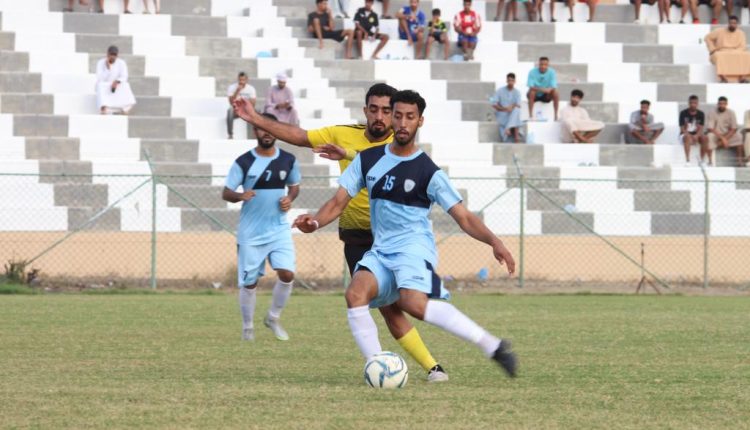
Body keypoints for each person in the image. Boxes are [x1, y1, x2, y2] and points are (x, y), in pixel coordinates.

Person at [231, 84, 450, 382]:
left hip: (396, 238)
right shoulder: (343, 132)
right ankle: (414, 367)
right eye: (374, 109)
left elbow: (381, 160)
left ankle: (426, 363)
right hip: (357, 236)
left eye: (387, 111)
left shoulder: (401, 141)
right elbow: (300, 136)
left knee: (409, 302)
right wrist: (255, 118)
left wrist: (346, 153)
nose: (381, 117)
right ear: (365, 110)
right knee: (387, 308)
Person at [292, 90, 518, 378]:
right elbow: (337, 202)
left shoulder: (428, 171)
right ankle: (378, 368)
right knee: (355, 294)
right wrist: (314, 222)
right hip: (381, 250)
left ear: (420, 121)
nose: (402, 122)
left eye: (409, 117)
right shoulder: (368, 160)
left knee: (412, 304)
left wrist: (495, 242)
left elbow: (463, 216)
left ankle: (492, 346)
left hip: (413, 249)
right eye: (397, 115)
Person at [222, 113, 300, 342]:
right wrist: (240, 196)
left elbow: (294, 186)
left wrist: (289, 198)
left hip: (279, 229)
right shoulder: (244, 162)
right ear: (255, 131)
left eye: (270, 128)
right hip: (251, 233)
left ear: (276, 131)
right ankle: (247, 328)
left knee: (287, 273)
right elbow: (226, 192)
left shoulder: (288, 160)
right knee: (250, 282)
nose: (266, 133)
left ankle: (273, 317)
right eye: (261, 128)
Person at [705, 16, 750, 83]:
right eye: (731, 23)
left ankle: (743, 78)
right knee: (718, 55)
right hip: (721, 51)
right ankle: (723, 78)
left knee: (747, 55)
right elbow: (707, 38)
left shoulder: (741, 33)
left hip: (736, 51)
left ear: (737, 24)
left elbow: (742, 46)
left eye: (734, 23)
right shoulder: (719, 31)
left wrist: (733, 52)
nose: (732, 25)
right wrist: (712, 49)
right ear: (728, 23)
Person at [95, 45, 136, 115]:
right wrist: (108, 69)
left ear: (117, 55)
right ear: (107, 54)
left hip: (116, 85)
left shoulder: (121, 63)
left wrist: (117, 81)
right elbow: (100, 78)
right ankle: (104, 108)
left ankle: (125, 108)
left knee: (126, 85)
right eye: (111, 54)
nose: (113, 56)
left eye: (115, 55)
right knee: (100, 85)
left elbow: (124, 76)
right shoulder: (100, 63)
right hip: (105, 85)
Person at [706, 96, 743, 165]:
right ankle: (710, 161)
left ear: (726, 104)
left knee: (739, 136)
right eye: (720, 104)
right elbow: (710, 128)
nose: (722, 105)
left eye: (723, 104)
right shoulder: (712, 112)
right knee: (709, 136)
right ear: (718, 104)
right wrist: (723, 139)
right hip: (716, 134)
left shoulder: (731, 112)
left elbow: (734, 128)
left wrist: (725, 138)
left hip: (727, 134)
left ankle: (739, 161)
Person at [492, 73, 523, 143]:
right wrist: (505, 109)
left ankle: (508, 128)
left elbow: (518, 105)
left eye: (512, 80)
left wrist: (511, 106)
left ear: (515, 81)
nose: (510, 82)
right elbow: (494, 104)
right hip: (502, 114)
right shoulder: (500, 90)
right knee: (516, 117)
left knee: (516, 111)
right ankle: (516, 138)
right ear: (506, 81)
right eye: (509, 80)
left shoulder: (517, 92)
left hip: (512, 114)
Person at [678, 95, 709, 164]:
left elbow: (701, 128)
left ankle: (702, 160)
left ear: (697, 104)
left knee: (705, 138)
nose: (693, 105)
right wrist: (690, 136)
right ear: (689, 103)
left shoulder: (701, 114)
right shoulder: (683, 113)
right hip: (684, 135)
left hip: (696, 135)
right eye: (691, 103)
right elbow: (682, 129)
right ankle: (687, 160)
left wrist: (697, 135)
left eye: (695, 103)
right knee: (687, 137)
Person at [527, 57, 559, 121]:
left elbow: (553, 86)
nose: (543, 66)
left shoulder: (552, 72)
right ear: (539, 64)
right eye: (541, 64)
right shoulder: (532, 72)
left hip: (546, 96)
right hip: (535, 95)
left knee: (556, 92)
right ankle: (530, 115)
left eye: (545, 65)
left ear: (548, 65)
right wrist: (542, 89)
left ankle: (556, 115)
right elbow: (531, 86)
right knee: (532, 91)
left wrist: (549, 90)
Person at [226, 72, 256, 140]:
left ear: (247, 80)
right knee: (230, 111)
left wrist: (244, 104)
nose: (241, 82)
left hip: (246, 109)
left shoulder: (251, 89)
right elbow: (231, 102)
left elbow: (253, 104)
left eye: (243, 80)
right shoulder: (232, 87)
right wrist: (237, 91)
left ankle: (255, 135)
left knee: (258, 111)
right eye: (240, 80)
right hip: (236, 109)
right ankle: (230, 134)